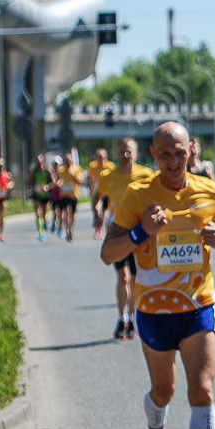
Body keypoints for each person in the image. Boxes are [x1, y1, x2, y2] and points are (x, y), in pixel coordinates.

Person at [101, 122, 215, 429]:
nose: (174, 161)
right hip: (155, 311)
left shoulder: (209, 190)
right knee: (164, 392)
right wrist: (143, 230)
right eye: (165, 155)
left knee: (203, 389)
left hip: (198, 304)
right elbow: (109, 253)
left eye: (180, 152)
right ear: (154, 155)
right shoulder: (137, 196)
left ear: (191, 149)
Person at [95, 138, 155, 339]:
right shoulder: (108, 176)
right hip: (118, 232)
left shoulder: (146, 175)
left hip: (140, 232)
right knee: (123, 277)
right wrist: (97, 214)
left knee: (136, 279)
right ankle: (122, 319)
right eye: (122, 151)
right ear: (117, 154)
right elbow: (97, 197)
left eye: (129, 151)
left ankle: (132, 316)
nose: (125, 155)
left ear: (136, 154)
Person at [55, 152, 84, 242]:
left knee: (72, 214)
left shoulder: (77, 169)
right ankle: (67, 229)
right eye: (65, 161)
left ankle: (71, 229)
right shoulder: (61, 170)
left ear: (72, 161)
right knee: (67, 212)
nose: (67, 162)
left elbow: (80, 182)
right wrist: (58, 184)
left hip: (74, 195)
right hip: (64, 194)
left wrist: (73, 175)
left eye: (69, 160)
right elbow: (58, 180)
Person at [88, 148, 115, 239]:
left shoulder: (110, 166)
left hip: (107, 192)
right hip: (97, 191)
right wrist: (90, 185)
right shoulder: (92, 166)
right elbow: (90, 177)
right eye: (98, 157)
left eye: (101, 157)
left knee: (104, 211)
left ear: (105, 157)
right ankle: (97, 226)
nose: (99, 159)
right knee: (96, 209)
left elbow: (113, 178)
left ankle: (100, 230)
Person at [28, 154, 53, 241]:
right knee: (38, 214)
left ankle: (45, 222)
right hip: (36, 195)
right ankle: (41, 232)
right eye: (38, 162)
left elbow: (54, 183)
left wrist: (47, 187)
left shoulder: (48, 171)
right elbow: (28, 181)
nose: (39, 164)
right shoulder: (33, 171)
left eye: (41, 162)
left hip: (45, 196)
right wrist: (31, 187)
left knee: (45, 213)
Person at [0, 159, 12, 242]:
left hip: (3, 198)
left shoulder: (6, 175)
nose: (0, 169)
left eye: (1, 167)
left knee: (2, 216)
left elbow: (11, 183)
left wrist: (8, 186)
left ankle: (1, 233)